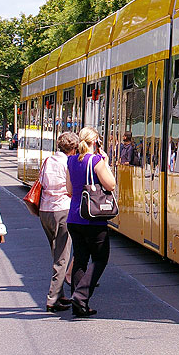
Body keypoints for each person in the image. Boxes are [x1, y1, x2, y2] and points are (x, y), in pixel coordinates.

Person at [65, 126, 116, 317]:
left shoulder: (71, 160)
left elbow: (69, 189)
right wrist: (106, 162)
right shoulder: (96, 160)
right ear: (95, 142)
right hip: (93, 218)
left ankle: (79, 305)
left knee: (80, 259)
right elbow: (110, 184)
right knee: (101, 258)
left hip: (74, 217)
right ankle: (81, 296)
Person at [40, 131, 78, 312]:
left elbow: (41, 182)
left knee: (55, 251)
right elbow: (70, 188)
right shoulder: (68, 162)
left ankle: (60, 294)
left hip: (45, 210)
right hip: (62, 209)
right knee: (62, 256)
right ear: (73, 148)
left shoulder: (49, 160)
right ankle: (52, 298)